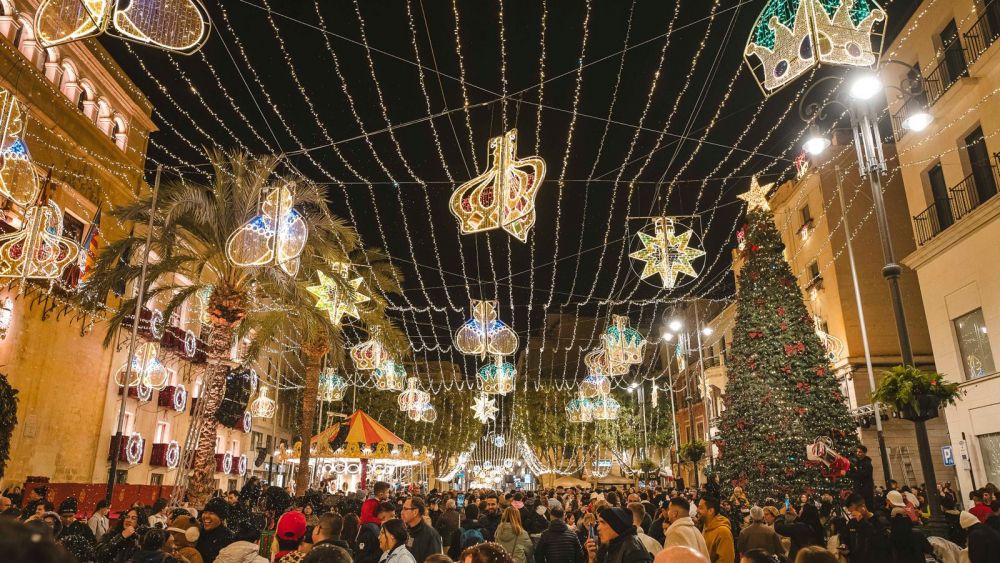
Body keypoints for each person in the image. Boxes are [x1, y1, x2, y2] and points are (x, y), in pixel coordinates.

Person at [584, 506, 652, 563]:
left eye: (602, 522)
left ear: (616, 525)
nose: (598, 528)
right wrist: (592, 558)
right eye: (598, 523)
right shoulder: (610, 545)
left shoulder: (634, 553)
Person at [402, 496, 442, 563]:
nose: (402, 512)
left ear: (415, 512)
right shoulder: (407, 531)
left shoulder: (431, 535)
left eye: (405, 509)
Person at [57, 497, 97, 562]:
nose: (68, 519)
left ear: (75, 515)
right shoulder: (56, 528)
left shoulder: (83, 527)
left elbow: (92, 544)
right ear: (60, 515)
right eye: (65, 516)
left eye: (70, 516)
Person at [197, 497, 235, 563]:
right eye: (205, 512)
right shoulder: (198, 532)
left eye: (211, 513)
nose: (206, 516)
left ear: (221, 517)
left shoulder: (228, 538)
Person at [698, 496, 735, 563]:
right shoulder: (703, 527)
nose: (697, 510)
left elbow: (726, 560)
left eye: (700, 508)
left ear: (710, 511)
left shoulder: (723, 532)